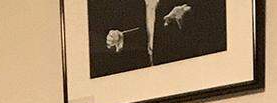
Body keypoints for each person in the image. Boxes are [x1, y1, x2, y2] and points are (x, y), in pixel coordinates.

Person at [88, 0, 226, 76]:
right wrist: (120, 38)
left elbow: (214, 28)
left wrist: (184, 20)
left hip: (185, 75)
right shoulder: (127, 5)